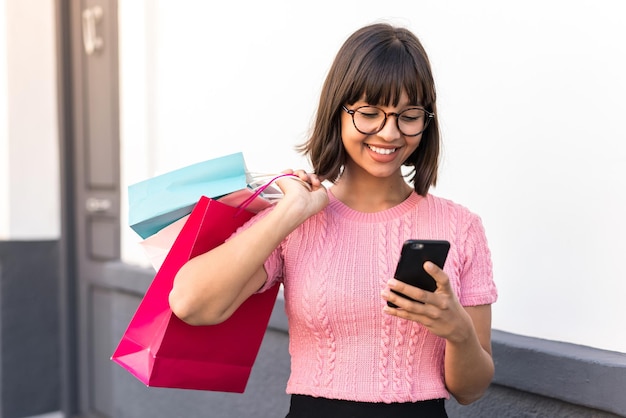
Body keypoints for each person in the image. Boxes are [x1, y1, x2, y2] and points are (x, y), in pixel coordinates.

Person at [169, 22, 497, 418]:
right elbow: (191, 303)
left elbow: (471, 391)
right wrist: (288, 213)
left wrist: (457, 330)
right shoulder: (298, 219)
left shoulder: (461, 227)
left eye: (408, 115)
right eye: (370, 113)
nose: (389, 133)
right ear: (338, 112)